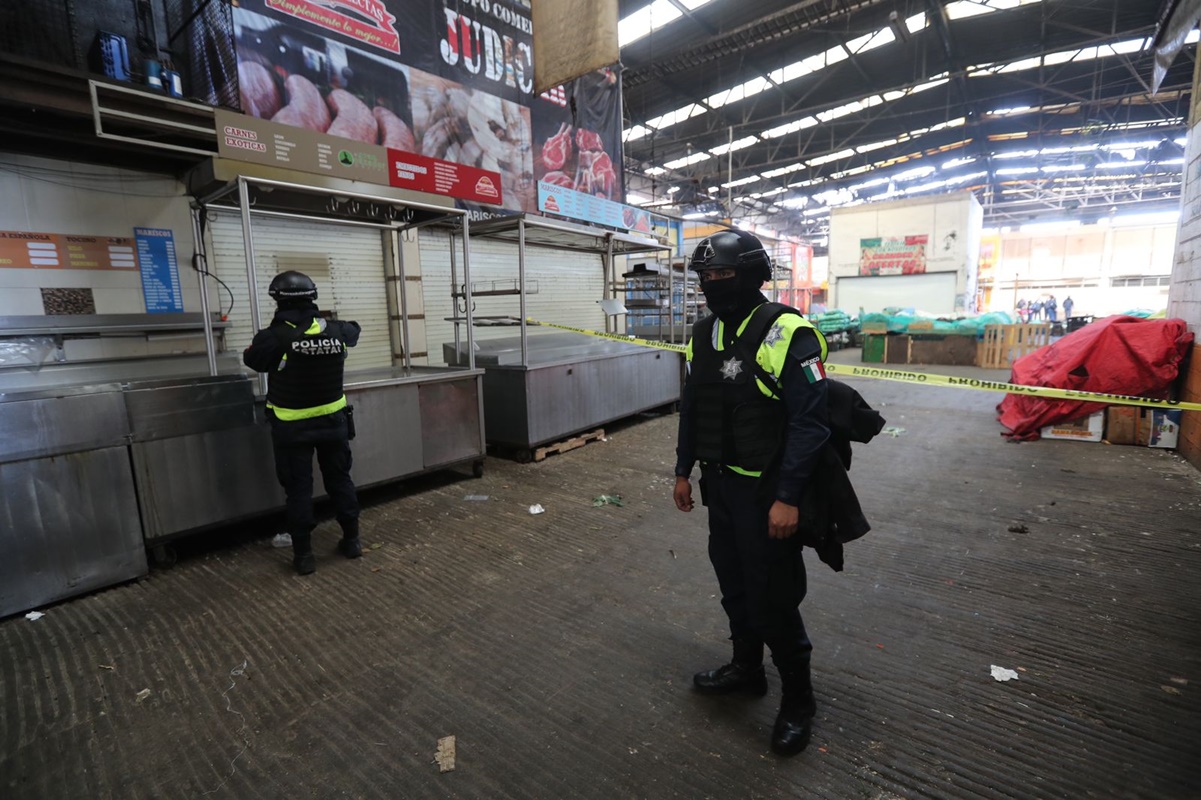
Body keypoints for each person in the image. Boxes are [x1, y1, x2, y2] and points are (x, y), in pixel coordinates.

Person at [672, 229, 832, 757]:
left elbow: (811, 425)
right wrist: (682, 469)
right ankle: (747, 669)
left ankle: (799, 700)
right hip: (720, 488)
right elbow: (694, 407)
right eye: (706, 277)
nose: (715, 284)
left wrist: (788, 497)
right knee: (735, 585)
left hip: (768, 495)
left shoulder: (788, 331)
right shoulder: (702, 334)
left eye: (723, 274)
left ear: (754, 274)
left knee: (773, 598)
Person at [244, 270, 362, 575]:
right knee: (341, 481)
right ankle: (352, 542)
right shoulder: (338, 331)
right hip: (333, 424)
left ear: (277, 300)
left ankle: (305, 557)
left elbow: (252, 360)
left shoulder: (271, 338)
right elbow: (356, 330)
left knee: (298, 491)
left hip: (291, 428)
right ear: (313, 297)